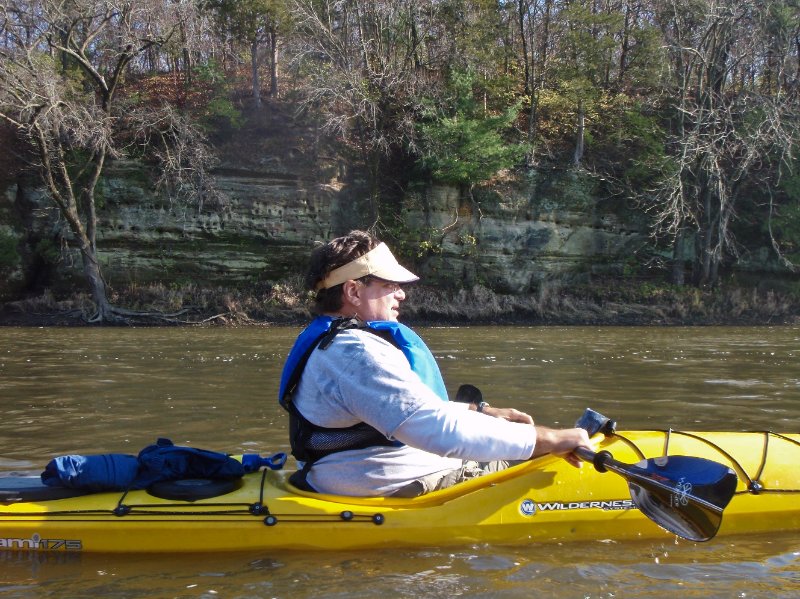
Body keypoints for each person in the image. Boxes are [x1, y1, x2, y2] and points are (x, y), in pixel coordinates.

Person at [279, 230, 592, 497]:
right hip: (389, 483)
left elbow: (394, 411)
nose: (400, 294)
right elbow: (439, 432)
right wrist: (552, 439)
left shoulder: (332, 343)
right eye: (390, 284)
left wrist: (478, 410)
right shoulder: (356, 353)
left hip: (347, 473)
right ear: (353, 291)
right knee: (545, 463)